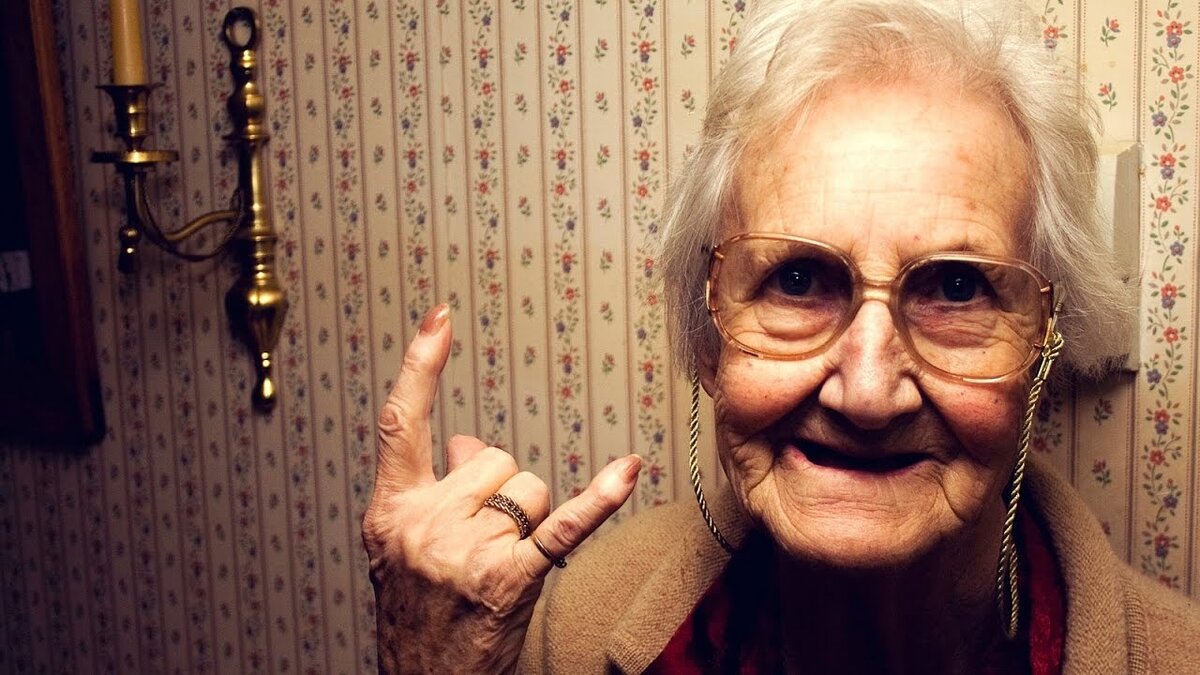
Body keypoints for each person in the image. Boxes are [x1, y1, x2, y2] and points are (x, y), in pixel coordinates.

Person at [362, 0, 1200, 672]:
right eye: (797, 279)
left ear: (1044, 347)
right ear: (707, 336)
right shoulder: (572, 633)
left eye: (955, 286)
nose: (867, 393)